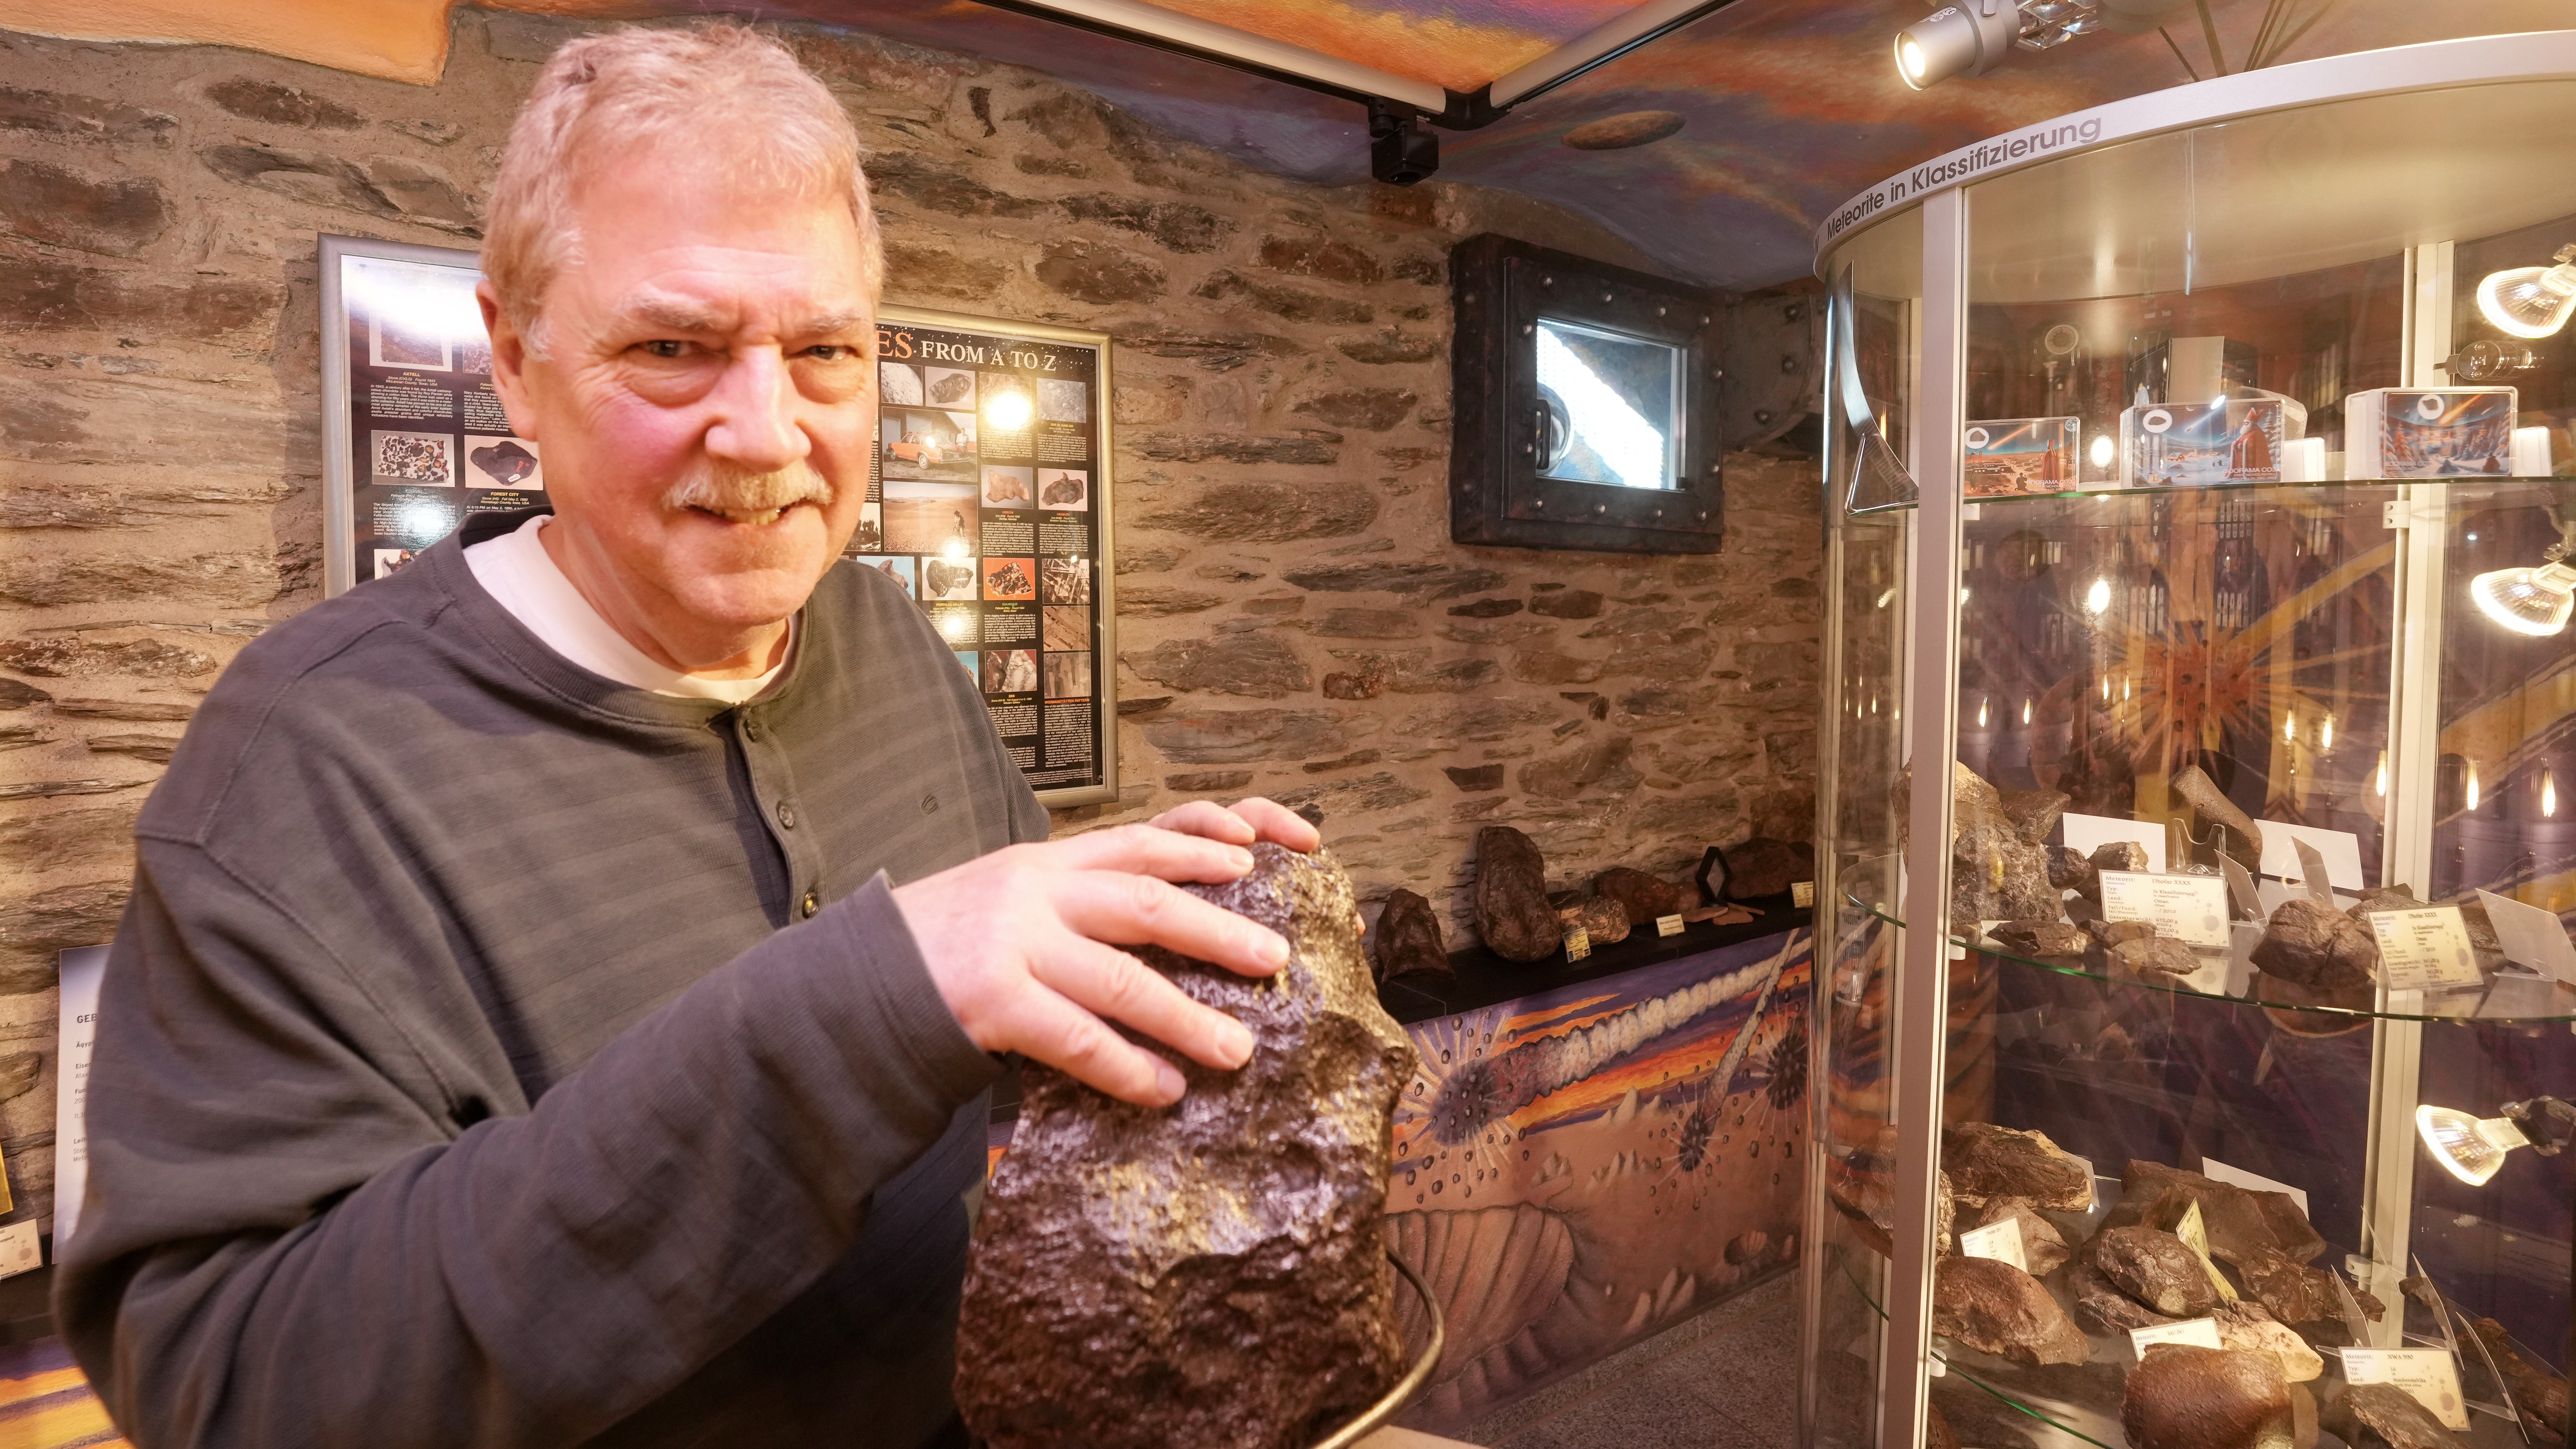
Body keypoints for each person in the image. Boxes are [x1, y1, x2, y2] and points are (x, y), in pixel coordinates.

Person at [55, 24, 1316, 1449]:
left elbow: (1006, 1056)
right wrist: (865, 1006)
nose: (767, 435)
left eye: (825, 353)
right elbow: (235, 1392)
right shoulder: (299, 772)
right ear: (518, 366)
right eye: (675, 349)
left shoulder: (886, 635)